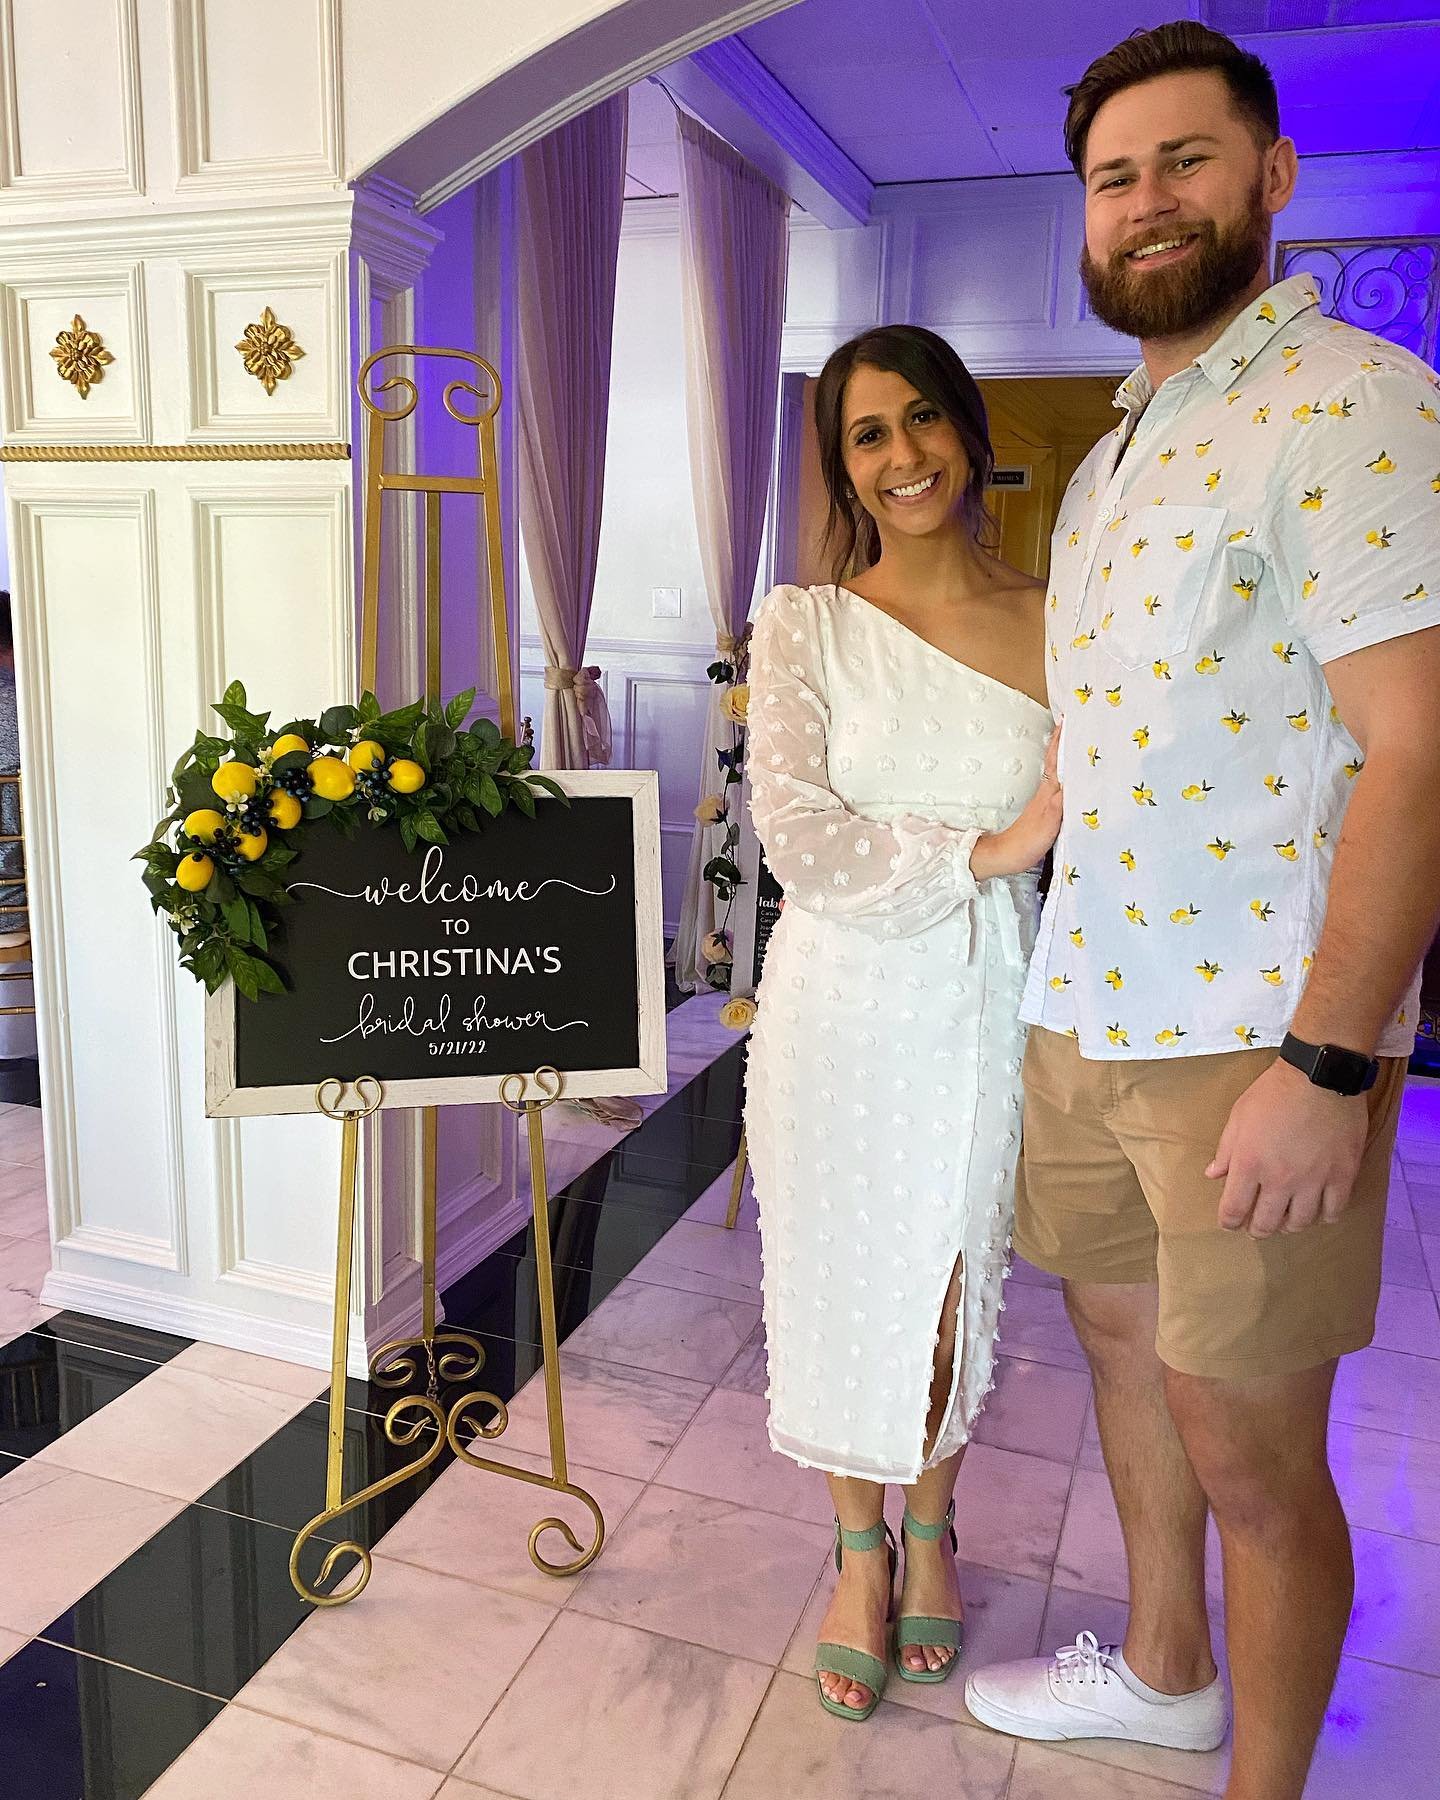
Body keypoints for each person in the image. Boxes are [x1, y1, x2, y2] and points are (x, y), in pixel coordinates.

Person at [962, 24, 1440, 1800]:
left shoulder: (1353, 400)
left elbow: (1418, 754)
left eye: (1183, 161)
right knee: (1116, 1342)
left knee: (1258, 1455)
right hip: (1087, 1000)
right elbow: (1105, 742)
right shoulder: (1107, 462)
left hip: (1250, 1027)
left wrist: (1326, 1061)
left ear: (1270, 177)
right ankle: (1166, 1673)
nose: (1147, 202)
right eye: (1114, 176)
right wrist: (976, 853)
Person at [744, 326, 1062, 1720]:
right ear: (842, 466)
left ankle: (932, 1527)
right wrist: (985, 852)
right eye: (867, 435)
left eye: (922, 419)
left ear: (968, 431)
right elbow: (798, 837)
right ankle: (857, 1554)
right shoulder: (802, 623)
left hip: (980, 999)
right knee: (834, 1287)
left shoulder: (1061, 614)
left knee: (942, 1287)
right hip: (835, 1003)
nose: (902, 455)